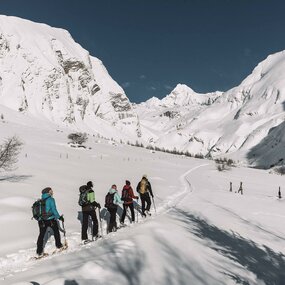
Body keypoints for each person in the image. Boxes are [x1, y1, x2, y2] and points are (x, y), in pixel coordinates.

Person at [36, 187, 65, 256]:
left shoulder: (40, 201)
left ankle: (39, 251)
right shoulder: (51, 199)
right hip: (50, 219)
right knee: (56, 231)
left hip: (41, 221)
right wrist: (59, 217)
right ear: (48, 192)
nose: (52, 192)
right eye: (51, 191)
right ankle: (58, 245)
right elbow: (54, 210)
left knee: (41, 235)